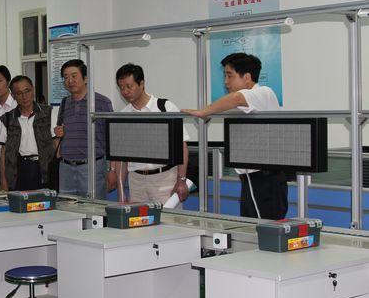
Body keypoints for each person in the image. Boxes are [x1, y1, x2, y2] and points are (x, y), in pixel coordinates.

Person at [183, 52, 288, 219]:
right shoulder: (248, 102)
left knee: (264, 228)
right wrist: (208, 114)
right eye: (225, 76)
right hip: (253, 179)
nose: (226, 82)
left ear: (247, 77)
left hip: (263, 179)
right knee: (251, 227)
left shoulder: (263, 93)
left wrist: (203, 111)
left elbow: (237, 98)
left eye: (229, 75)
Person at [114, 63, 189, 204]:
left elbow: (181, 147)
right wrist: (121, 191)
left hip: (164, 179)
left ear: (141, 83)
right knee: (138, 217)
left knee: (167, 217)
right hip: (136, 181)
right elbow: (121, 160)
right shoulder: (123, 115)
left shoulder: (165, 108)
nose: (125, 91)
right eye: (121, 88)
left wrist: (182, 180)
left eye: (129, 86)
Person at [54, 59, 117, 199]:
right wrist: (58, 132)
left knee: (94, 209)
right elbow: (61, 132)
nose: (70, 81)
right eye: (66, 77)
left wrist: (113, 170)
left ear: (86, 78)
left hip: (92, 167)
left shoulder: (102, 102)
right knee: (67, 208)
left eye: (74, 76)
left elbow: (113, 138)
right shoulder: (64, 103)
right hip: (66, 168)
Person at [0, 76, 53, 191]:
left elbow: (57, 144)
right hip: (19, 170)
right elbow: (4, 150)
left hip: (45, 169)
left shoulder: (48, 113)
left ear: (33, 89)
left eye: (27, 91)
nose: (24, 96)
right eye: (19, 93)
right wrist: (3, 179)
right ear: (13, 96)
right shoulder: (8, 119)